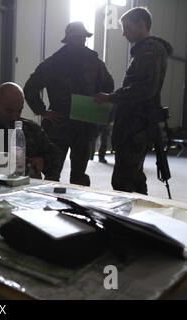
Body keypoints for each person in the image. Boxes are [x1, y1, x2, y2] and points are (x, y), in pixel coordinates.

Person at [24, 21, 114, 186]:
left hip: (84, 127)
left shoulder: (95, 63)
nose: (79, 41)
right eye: (75, 38)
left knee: (79, 177)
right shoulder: (53, 63)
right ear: (68, 40)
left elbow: (108, 87)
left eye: (82, 38)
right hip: (59, 125)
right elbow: (30, 89)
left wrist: (99, 107)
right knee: (52, 174)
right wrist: (43, 111)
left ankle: (77, 208)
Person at [95, 7, 173, 195]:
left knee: (123, 181)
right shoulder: (143, 51)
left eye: (127, 28)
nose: (123, 33)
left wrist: (111, 97)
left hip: (136, 126)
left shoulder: (151, 49)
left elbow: (145, 88)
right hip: (133, 125)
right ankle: (141, 219)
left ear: (142, 25)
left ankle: (129, 222)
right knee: (134, 178)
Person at [0, 82, 62, 180]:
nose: (15, 117)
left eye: (19, 110)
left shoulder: (32, 130)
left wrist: (43, 161)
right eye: (9, 111)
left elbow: (55, 156)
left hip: (26, 194)